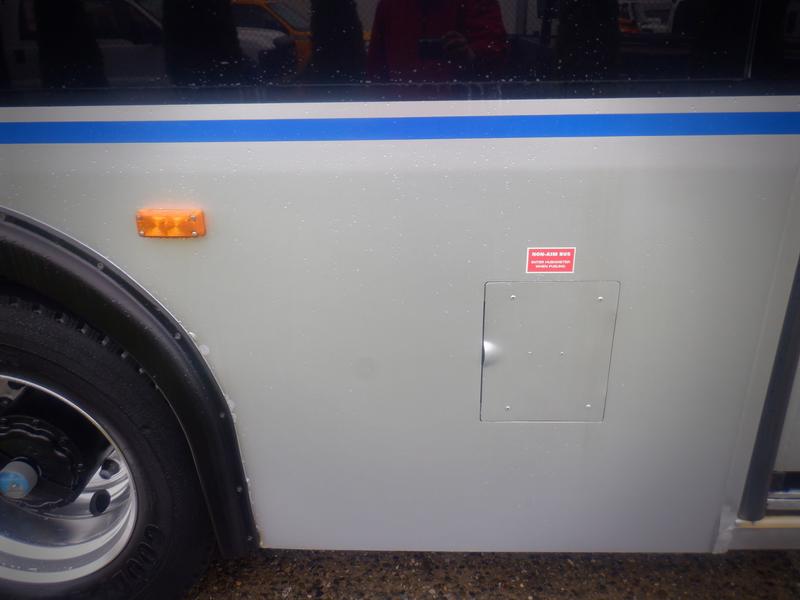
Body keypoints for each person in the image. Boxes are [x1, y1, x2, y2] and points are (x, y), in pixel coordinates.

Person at [367, 0, 506, 82]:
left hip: (404, 101)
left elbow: (375, 67)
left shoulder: (391, 5)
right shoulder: (390, 5)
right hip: (457, 101)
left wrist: (472, 55)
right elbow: (376, 64)